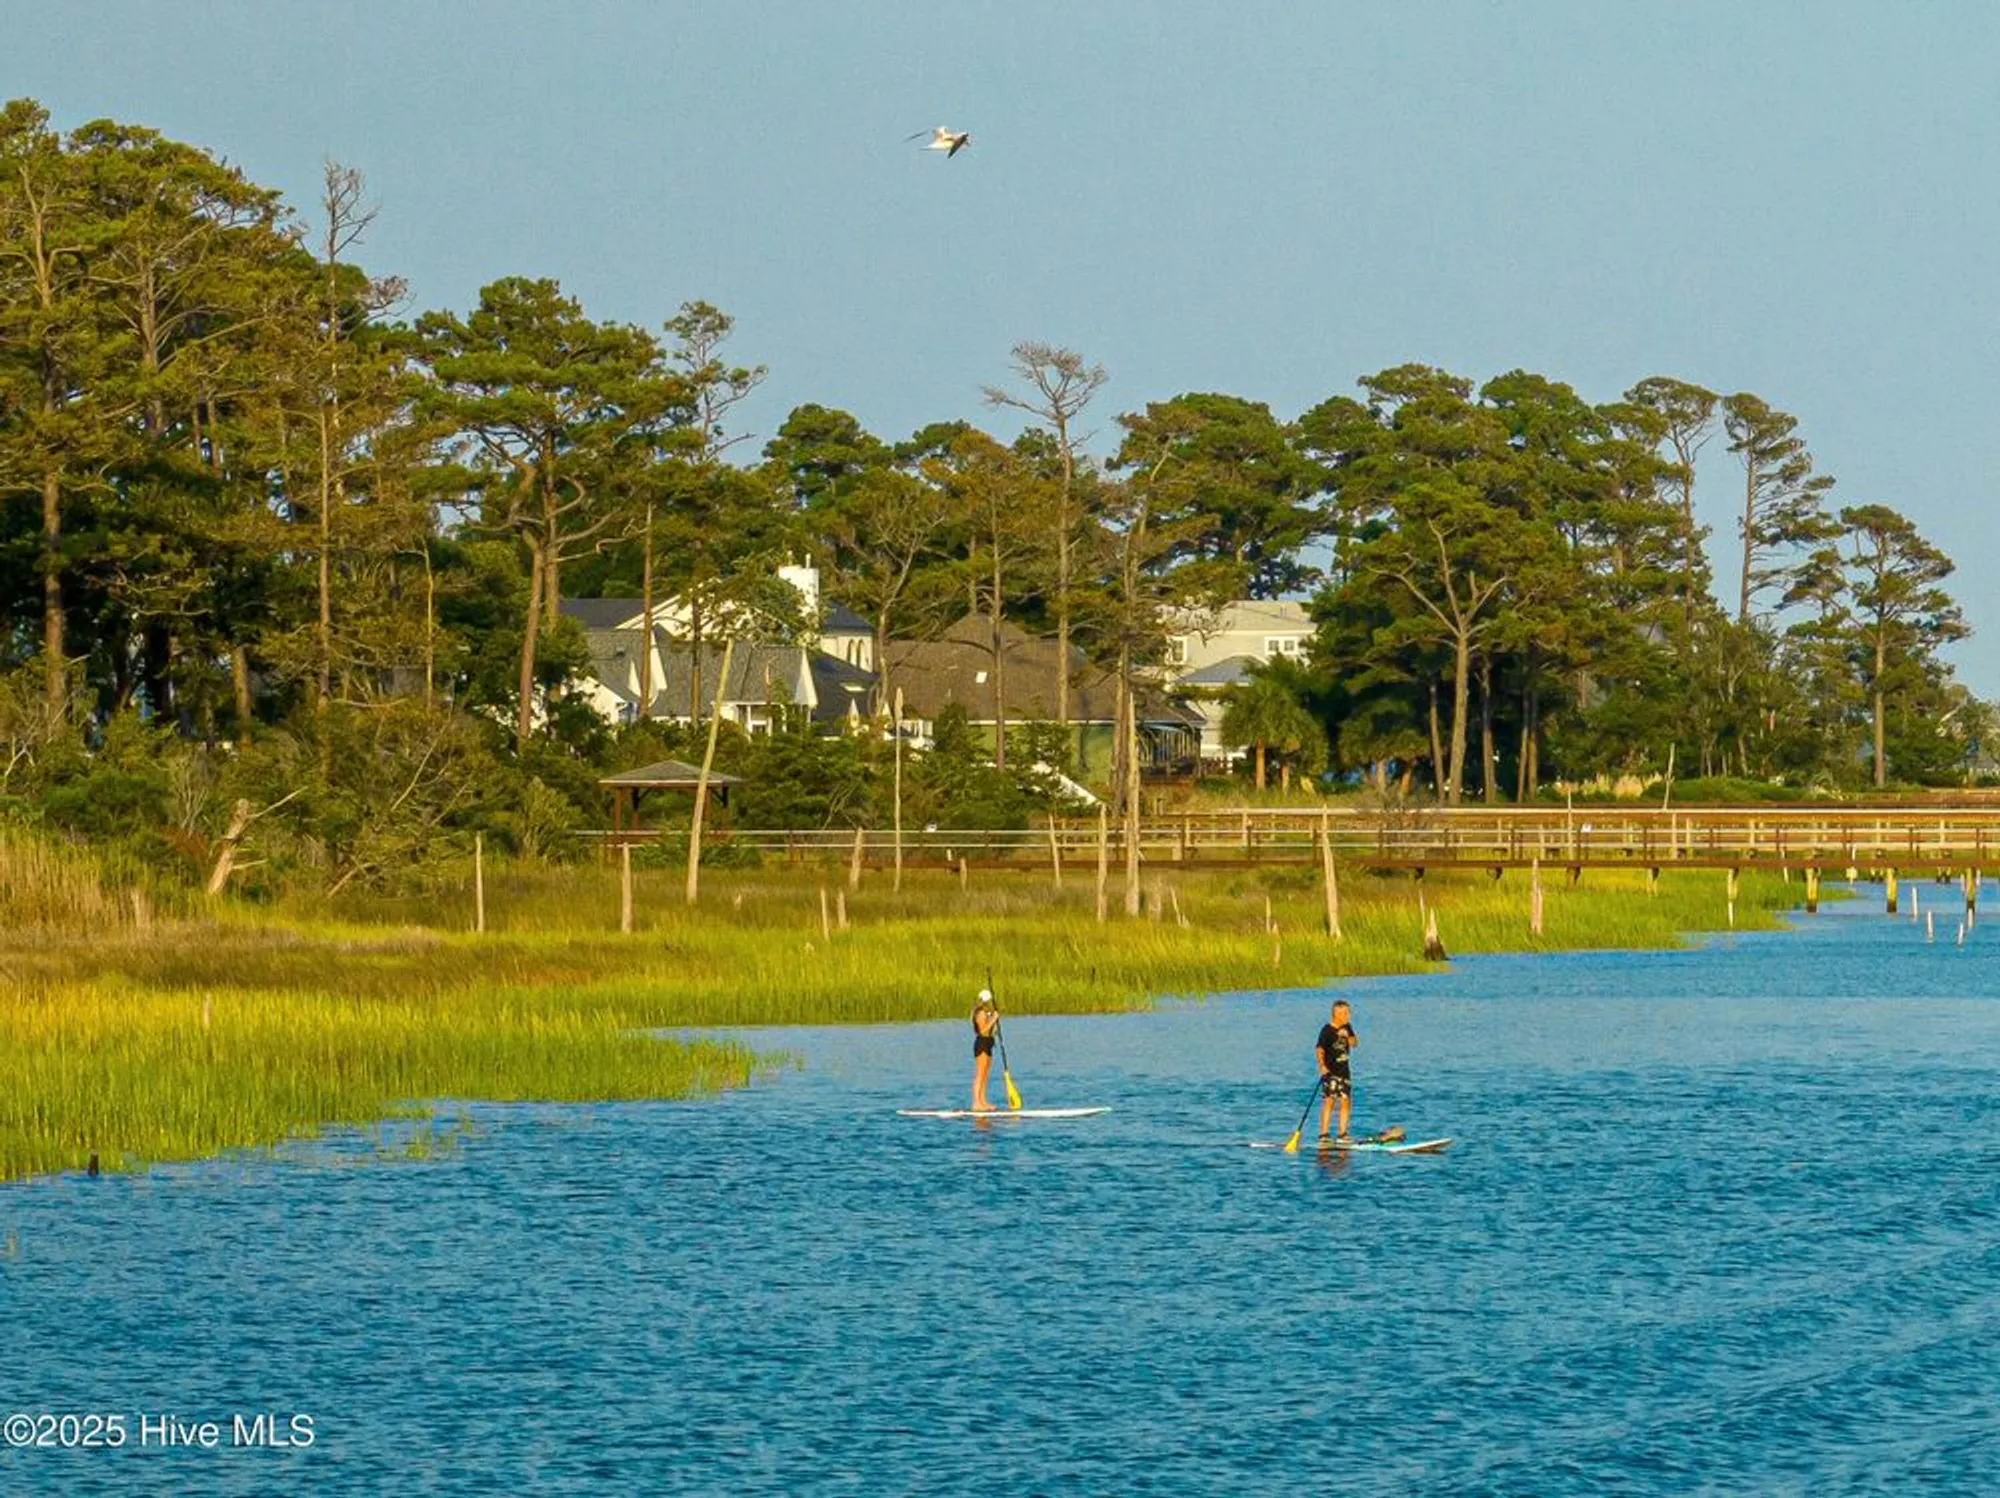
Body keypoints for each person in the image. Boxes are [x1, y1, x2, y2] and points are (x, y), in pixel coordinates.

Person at [1316, 999, 1357, 1142]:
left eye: (1348, 1012)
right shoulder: (1326, 1030)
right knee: (1329, 1101)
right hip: (1330, 1071)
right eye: (1345, 1013)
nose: (1348, 1016)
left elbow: (1355, 1043)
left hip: (1344, 1071)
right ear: (1336, 1014)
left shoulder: (1348, 1027)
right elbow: (1319, 1049)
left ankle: (1342, 1134)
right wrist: (1321, 1066)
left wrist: (1348, 1035)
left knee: (1346, 1101)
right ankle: (1324, 1134)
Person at [971, 989, 1001, 1111]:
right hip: (981, 1043)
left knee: (985, 1074)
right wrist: (993, 1019)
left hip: (988, 1043)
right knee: (980, 1074)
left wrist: (994, 1020)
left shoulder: (986, 1012)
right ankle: (976, 1102)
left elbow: (989, 1029)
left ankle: (983, 1101)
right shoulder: (979, 1013)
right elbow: (982, 1031)